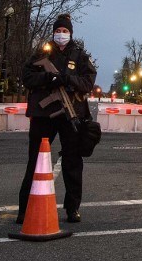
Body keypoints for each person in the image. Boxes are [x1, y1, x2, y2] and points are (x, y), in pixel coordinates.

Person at [17, 13, 96, 224]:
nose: (61, 34)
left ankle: (72, 208)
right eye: (58, 31)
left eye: (65, 31)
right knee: (35, 160)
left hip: (71, 113)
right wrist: (48, 78)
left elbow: (88, 82)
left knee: (72, 161)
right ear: (53, 32)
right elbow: (27, 77)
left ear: (70, 33)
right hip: (44, 115)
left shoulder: (79, 56)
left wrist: (67, 79)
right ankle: (24, 209)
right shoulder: (41, 54)